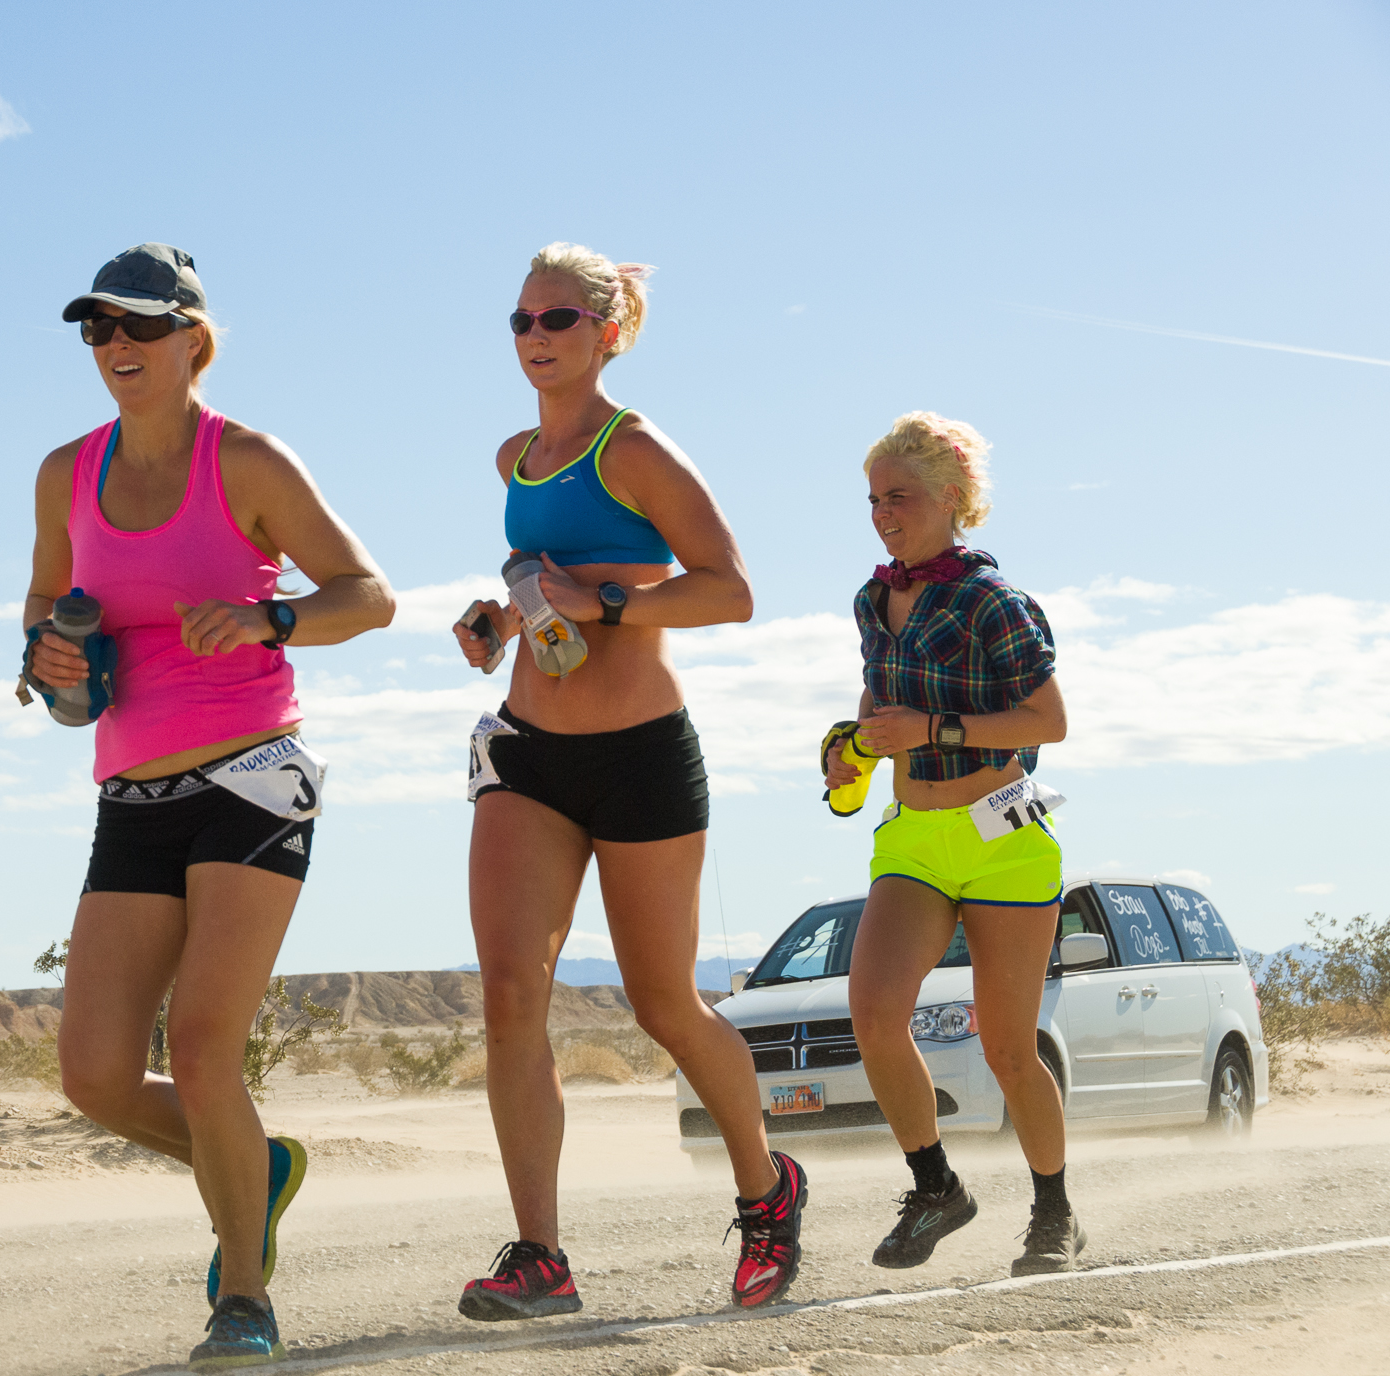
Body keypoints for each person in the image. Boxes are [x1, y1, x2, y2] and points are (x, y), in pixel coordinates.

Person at [28, 244, 394, 1371]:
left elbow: (367, 596)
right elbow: (49, 656)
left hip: (253, 776)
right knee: (91, 1071)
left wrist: (269, 621)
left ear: (194, 336)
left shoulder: (247, 460)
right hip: (131, 790)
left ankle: (244, 1296)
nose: (117, 347)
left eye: (139, 326)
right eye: (98, 330)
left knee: (200, 1047)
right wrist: (59, 665)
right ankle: (258, 1171)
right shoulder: (64, 473)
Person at [452, 243, 809, 1316]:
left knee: (663, 1002)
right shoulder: (514, 453)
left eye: (556, 319)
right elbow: (544, 577)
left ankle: (765, 1188)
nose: (533, 338)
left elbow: (729, 591)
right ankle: (539, 1257)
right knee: (512, 993)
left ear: (607, 330)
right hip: (527, 748)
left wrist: (606, 604)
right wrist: (499, 619)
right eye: (518, 320)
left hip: (642, 750)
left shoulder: (636, 447)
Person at [825, 411, 1079, 1276]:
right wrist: (850, 752)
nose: (882, 513)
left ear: (952, 498)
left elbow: (1048, 721)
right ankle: (936, 1188)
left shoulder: (993, 601)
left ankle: (1052, 1215)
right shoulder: (872, 598)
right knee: (872, 1013)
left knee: (1008, 1048)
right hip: (914, 839)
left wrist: (935, 724)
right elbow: (873, 706)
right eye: (872, 499)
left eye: (898, 496)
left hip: (1003, 840)